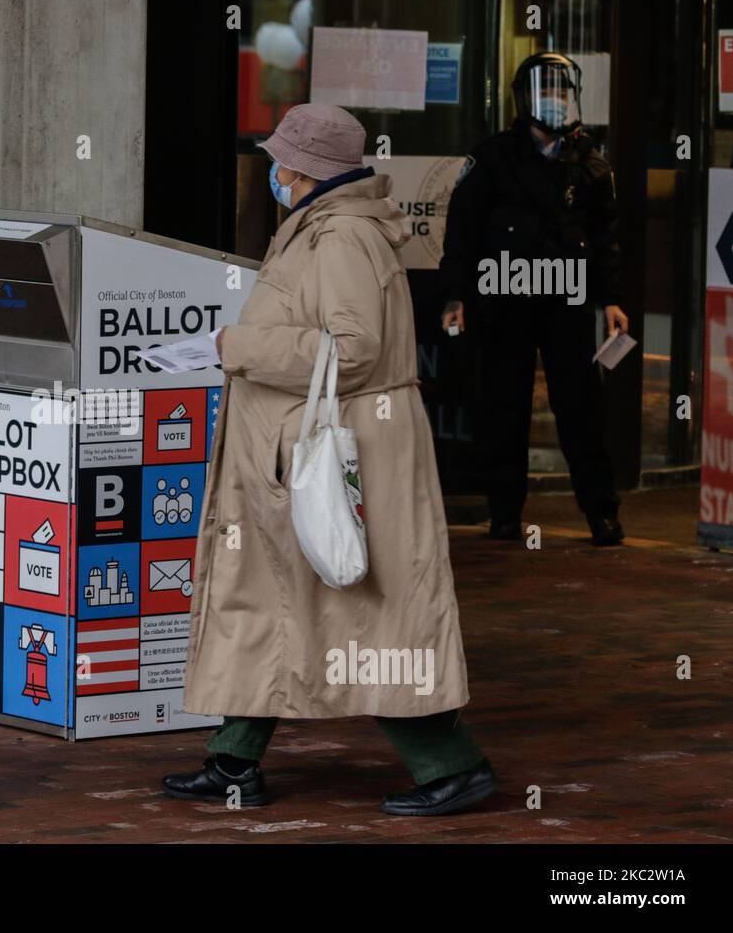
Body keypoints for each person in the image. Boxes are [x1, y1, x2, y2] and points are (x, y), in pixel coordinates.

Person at [165, 104, 495, 815]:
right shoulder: (320, 227)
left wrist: (237, 349)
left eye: (280, 160)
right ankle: (233, 762)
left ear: (306, 170)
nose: (273, 171)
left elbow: (353, 350)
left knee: (366, 613)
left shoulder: (342, 236)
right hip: (306, 449)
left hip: (340, 452)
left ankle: (452, 765)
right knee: (275, 601)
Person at [439, 52, 626, 546]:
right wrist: (455, 294)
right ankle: (504, 513)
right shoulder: (494, 157)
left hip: (566, 299)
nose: (556, 101)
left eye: (562, 92)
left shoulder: (589, 162)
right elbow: (463, 230)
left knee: (580, 407)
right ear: (525, 100)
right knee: (504, 405)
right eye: (546, 92)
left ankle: (601, 512)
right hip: (505, 296)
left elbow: (605, 236)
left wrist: (611, 299)